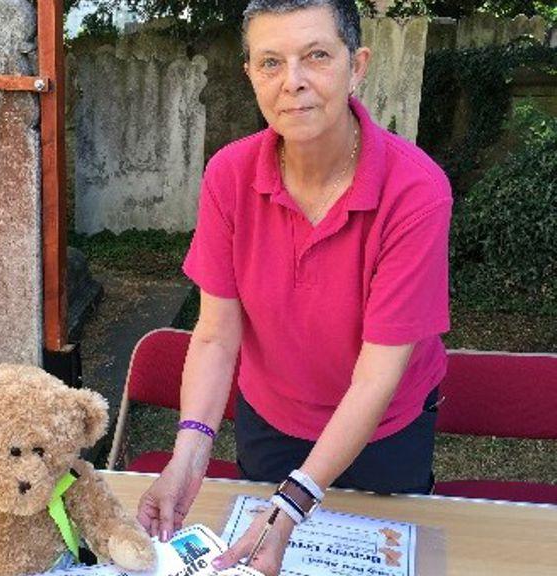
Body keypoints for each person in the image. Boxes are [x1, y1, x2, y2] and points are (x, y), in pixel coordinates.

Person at [136, 1, 452, 575]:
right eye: (270, 62)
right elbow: (216, 335)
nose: (293, 81)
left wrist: (294, 501)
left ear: (357, 66)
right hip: (271, 419)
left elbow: (377, 376)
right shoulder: (228, 176)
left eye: (317, 56)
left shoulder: (416, 192)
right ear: (250, 75)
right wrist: (190, 451)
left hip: (385, 431)